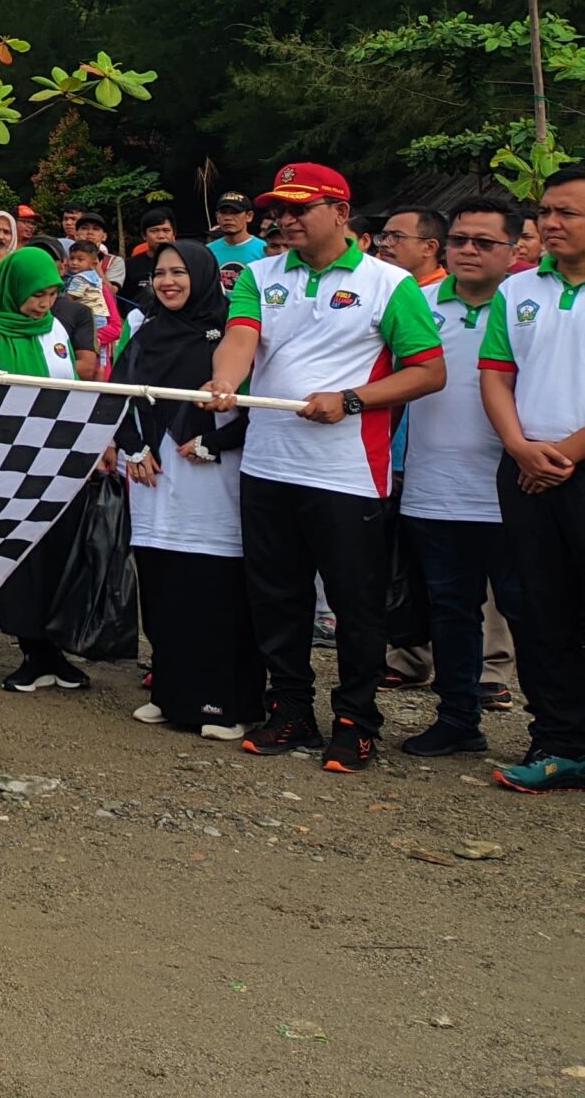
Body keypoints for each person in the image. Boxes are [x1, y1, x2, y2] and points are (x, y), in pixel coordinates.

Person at [202, 163, 444, 774]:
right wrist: (225, 379)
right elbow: (241, 337)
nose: (284, 219)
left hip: (346, 473)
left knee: (356, 604)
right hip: (268, 465)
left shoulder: (390, 283)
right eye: (278, 209)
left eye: (298, 208)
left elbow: (427, 371)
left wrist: (353, 399)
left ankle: (356, 720)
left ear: (340, 212)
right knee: (276, 597)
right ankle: (291, 709)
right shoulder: (258, 274)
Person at [394, 195, 525, 760]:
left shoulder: (529, 305)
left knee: (534, 615)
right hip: (434, 490)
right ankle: (457, 718)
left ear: (514, 249)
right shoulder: (417, 303)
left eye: (485, 242)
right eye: (460, 240)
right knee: (449, 612)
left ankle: (556, 731)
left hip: (517, 490)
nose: (469, 250)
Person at [112, 240, 258, 738]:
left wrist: (215, 443)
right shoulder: (146, 332)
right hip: (153, 483)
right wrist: (133, 449)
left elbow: (260, 411)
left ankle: (223, 703)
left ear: (204, 275)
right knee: (162, 585)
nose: (169, 281)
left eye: (179, 272)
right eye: (160, 273)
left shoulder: (234, 336)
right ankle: (170, 693)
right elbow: (117, 397)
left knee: (213, 590)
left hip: (211, 485)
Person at [478, 166, 585, 792]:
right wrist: (519, 446)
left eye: (567, 212)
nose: (549, 223)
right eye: (545, 212)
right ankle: (559, 740)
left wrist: (565, 454)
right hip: (524, 470)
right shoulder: (520, 290)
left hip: (566, 464)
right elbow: (496, 373)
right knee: (541, 609)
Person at [0, 246, 94, 693]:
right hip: (8, 463)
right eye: (36, 295)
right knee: (19, 559)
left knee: (56, 555)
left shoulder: (55, 327)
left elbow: (71, 387)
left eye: (52, 293)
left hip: (57, 461)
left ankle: (52, 649)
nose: (44, 304)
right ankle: (30, 649)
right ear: (13, 287)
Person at [375, 207, 447, 287]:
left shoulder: (443, 295)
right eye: (384, 236)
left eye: (397, 236)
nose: (384, 243)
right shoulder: (376, 283)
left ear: (429, 247)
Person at [211, 193, 266, 275]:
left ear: (249, 216)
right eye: (223, 212)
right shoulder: (208, 251)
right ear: (217, 216)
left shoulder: (264, 249)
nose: (228, 218)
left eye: (235, 212)